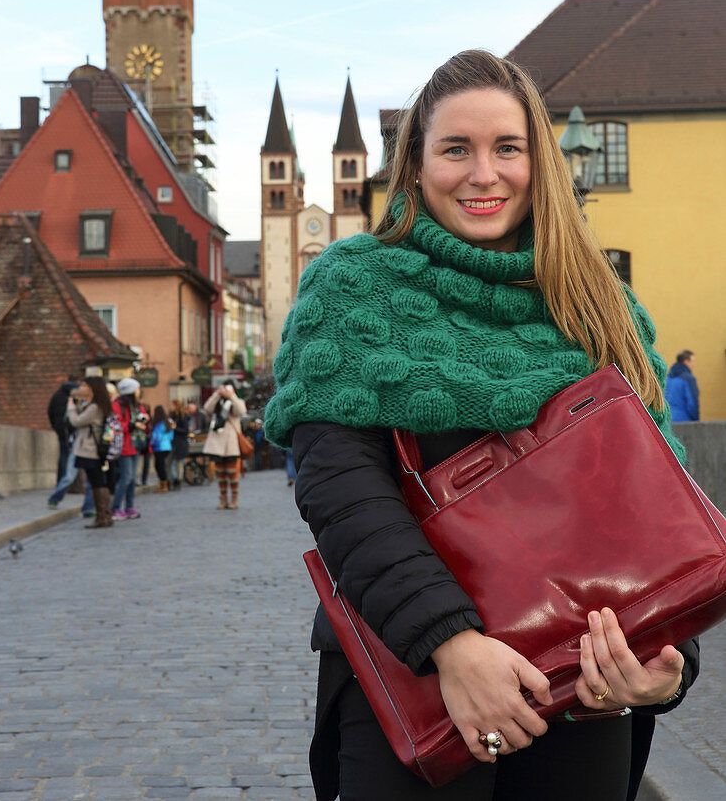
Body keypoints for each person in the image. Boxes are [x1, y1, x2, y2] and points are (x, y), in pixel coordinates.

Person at [265, 50, 700, 801]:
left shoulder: (599, 303)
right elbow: (341, 490)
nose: (483, 173)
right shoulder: (351, 287)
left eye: (507, 148)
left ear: (540, 162)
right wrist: (452, 646)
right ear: (415, 164)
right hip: (412, 666)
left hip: (581, 684)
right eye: (455, 149)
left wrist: (668, 661)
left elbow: (650, 500)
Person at [67, 377, 113, 529]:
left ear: (92, 388)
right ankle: (106, 515)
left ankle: (102, 517)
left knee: (95, 481)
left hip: (90, 449)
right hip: (95, 448)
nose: (81, 387)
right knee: (98, 481)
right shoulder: (97, 405)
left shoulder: (95, 408)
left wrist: (71, 407)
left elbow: (77, 421)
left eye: (84, 385)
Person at [203, 381, 246, 509]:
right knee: (220, 474)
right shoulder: (218, 402)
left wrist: (232, 396)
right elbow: (207, 408)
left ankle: (234, 499)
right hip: (217, 443)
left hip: (231, 443)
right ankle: (223, 500)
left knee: (232, 473)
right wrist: (217, 394)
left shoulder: (236, 402)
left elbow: (241, 410)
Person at [110, 377, 148, 520]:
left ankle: (129, 507)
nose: (139, 392)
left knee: (132, 479)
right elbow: (117, 425)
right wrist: (133, 425)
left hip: (135, 444)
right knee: (126, 478)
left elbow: (142, 415)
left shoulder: (136, 406)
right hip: (124, 446)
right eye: (137, 389)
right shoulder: (117, 405)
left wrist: (144, 419)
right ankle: (115, 508)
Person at [47, 378, 79, 482]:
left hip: (61, 428)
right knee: (70, 456)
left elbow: (50, 411)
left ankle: (62, 480)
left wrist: (55, 426)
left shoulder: (57, 395)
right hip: (69, 429)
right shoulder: (72, 397)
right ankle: (67, 481)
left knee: (64, 455)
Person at [665, 350, 700, 422]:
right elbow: (692, 404)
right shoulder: (689, 379)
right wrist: (696, 420)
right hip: (684, 422)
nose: (694, 364)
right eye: (692, 361)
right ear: (686, 361)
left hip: (668, 421)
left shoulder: (667, 379)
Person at [150, 405, 174, 492]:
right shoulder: (167, 423)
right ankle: (165, 484)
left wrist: (151, 443)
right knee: (162, 465)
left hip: (159, 447)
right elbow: (171, 436)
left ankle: (163, 485)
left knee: (159, 466)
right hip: (167, 446)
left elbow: (156, 437)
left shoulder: (158, 424)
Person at [169, 399, 190, 489]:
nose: (171, 407)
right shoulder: (172, 415)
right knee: (171, 462)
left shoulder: (183, 416)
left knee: (179, 463)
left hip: (180, 443)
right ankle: (173, 479)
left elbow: (185, 430)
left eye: (173, 405)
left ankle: (178, 480)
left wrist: (175, 428)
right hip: (172, 442)